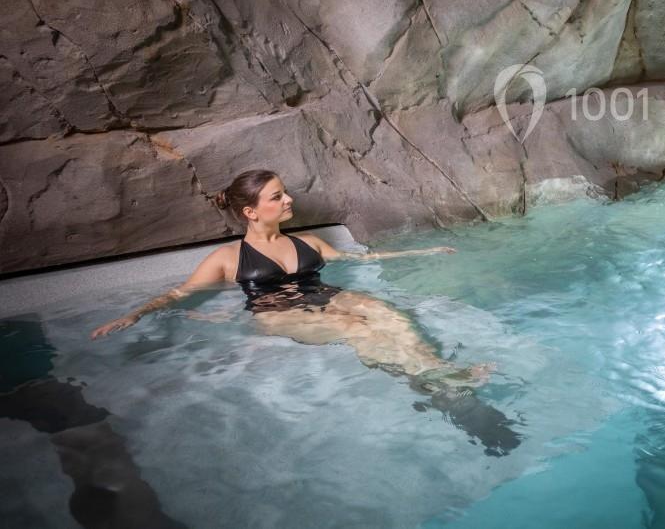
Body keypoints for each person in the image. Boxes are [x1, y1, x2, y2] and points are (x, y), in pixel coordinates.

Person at [90, 169, 521, 455]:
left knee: (389, 315)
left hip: (323, 294)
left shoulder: (309, 241)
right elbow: (180, 293)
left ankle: (437, 378)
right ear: (251, 211)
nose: (289, 198)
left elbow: (360, 261)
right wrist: (136, 314)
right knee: (356, 327)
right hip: (275, 312)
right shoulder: (227, 257)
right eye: (278, 196)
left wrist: (423, 249)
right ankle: (437, 381)